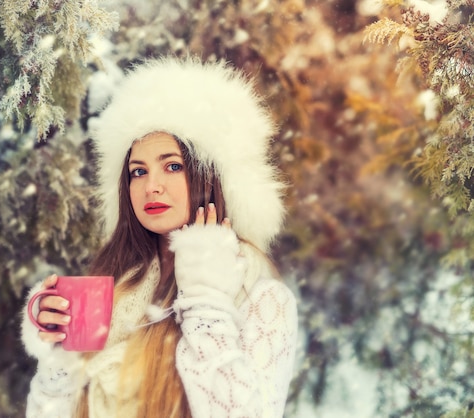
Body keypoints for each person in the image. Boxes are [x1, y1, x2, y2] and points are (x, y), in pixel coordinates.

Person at [20, 57, 298, 418]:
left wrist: (206, 300)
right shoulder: (118, 286)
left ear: (211, 176)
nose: (151, 186)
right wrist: (59, 356)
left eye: (172, 165)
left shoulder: (261, 297)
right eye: (138, 171)